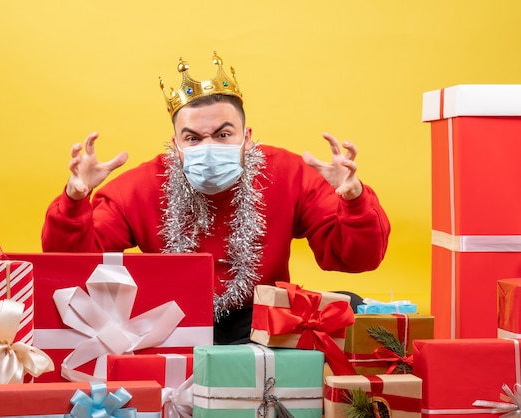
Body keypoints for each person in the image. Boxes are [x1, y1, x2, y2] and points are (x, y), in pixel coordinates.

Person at [42, 52, 391, 344]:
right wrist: (75, 199)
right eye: (193, 138)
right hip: (169, 326)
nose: (208, 148)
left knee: (348, 308)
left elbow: (354, 258)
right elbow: (73, 265)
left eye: (224, 134)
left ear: (247, 137)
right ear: (176, 145)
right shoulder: (140, 186)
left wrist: (354, 200)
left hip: (262, 324)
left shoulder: (288, 172)